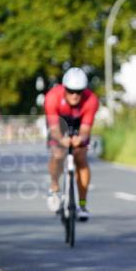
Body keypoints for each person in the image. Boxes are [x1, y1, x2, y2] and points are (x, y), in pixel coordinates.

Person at [44, 68, 99, 221]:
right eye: (70, 91)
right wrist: (61, 140)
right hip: (59, 124)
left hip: (78, 124)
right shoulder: (52, 97)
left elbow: (86, 129)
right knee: (57, 154)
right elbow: (54, 128)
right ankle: (54, 187)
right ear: (64, 88)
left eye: (79, 91)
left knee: (81, 157)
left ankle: (82, 204)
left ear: (84, 90)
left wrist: (80, 139)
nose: (75, 95)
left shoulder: (91, 100)